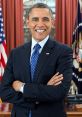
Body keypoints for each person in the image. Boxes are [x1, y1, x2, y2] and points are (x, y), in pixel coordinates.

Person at [0, 3, 73, 117]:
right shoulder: (16, 53)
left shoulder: (64, 52)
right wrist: (43, 91)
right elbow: (4, 92)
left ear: (52, 22)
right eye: (35, 19)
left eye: (45, 19)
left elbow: (59, 92)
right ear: (27, 22)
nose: (40, 24)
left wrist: (21, 87)